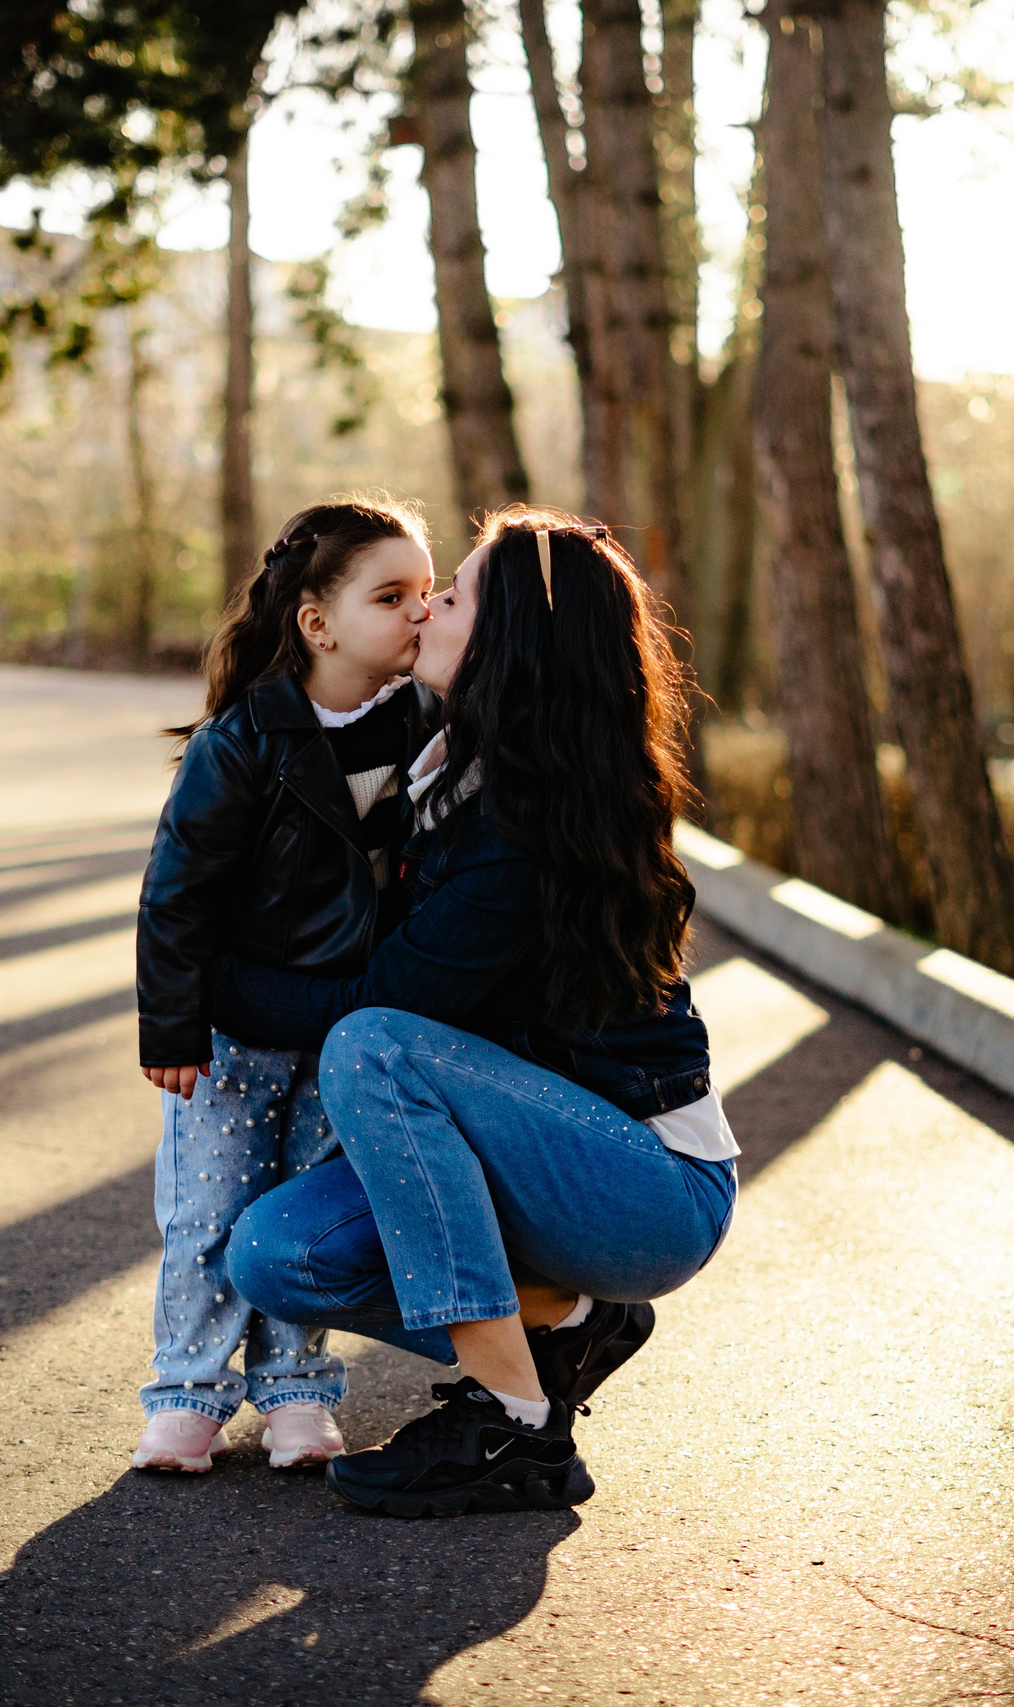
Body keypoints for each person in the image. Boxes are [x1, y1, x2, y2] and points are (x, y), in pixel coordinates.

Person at [215, 505, 739, 1517]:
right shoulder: (458, 768)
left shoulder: (526, 826)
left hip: (648, 1187)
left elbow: (380, 1009)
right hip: (543, 1163)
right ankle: (572, 1318)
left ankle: (516, 1425)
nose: (425, 609)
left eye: (448, 596)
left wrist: (215, 987)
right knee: (277, 1253)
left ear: (508, 642)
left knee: (373, 1046)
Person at [130, 499, 435, 1474]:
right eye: (392, 596)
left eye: (429, 595)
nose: (418, 614)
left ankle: (295, 1393)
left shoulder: (425, 725)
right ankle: (187, 1392)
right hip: (230, 1033)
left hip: (343, 1034)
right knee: (212, 1211)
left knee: (301, 1213)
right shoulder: (245, 740)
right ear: (318, 622)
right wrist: (171, 1025)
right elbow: (175, 895)